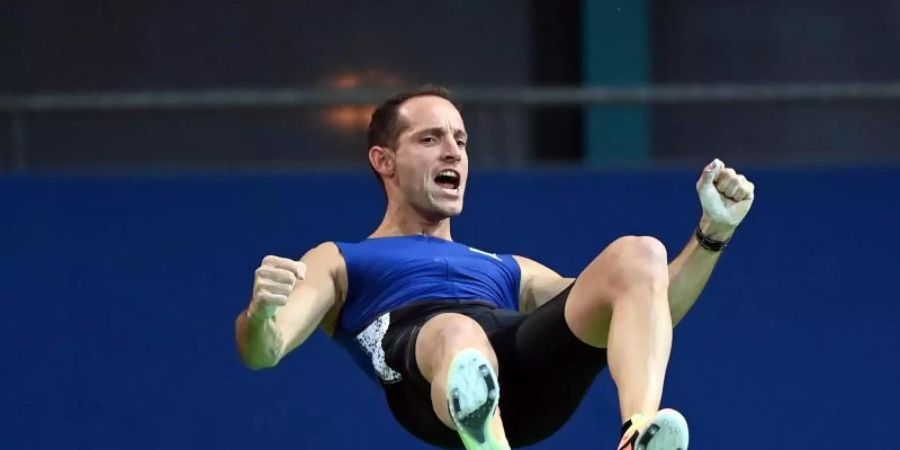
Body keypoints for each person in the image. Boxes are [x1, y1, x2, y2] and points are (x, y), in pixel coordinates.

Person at [234, 85, 755, 450]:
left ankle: (636, 432)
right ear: (384, 161)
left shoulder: (505, 267)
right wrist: (260, 314)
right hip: (427, 384)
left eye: (461, 141)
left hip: (520, 374)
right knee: (457, 333)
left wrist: (713, 234)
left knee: (640, 254)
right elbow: (265, 350)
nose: (454, 153)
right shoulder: (341, 258)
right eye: (431, 138)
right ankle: (482, 433)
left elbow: (645, 314)